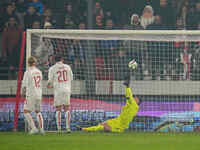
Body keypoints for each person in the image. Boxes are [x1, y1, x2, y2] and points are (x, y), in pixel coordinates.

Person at [47, 54, 73, 133]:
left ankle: (59, 129)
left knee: (58, 109)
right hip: (67, 89)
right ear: (62, 59)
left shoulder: (52, 68)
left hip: (58, 90)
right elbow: (71, 78)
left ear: (54, 60)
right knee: (67, 108)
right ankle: (68, 128)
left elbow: (50, 81)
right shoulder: (68, 67)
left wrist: (49, 85)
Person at [21, 56, 44, 134]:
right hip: (39, 93)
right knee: (38, 111)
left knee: (26, 111)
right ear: (35, 63)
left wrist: (22, 93)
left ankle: (34, 128)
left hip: (31, 93)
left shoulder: (27, 72)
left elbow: (24, 85)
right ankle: (42, 129)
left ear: (28, 63)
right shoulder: (39, 71)